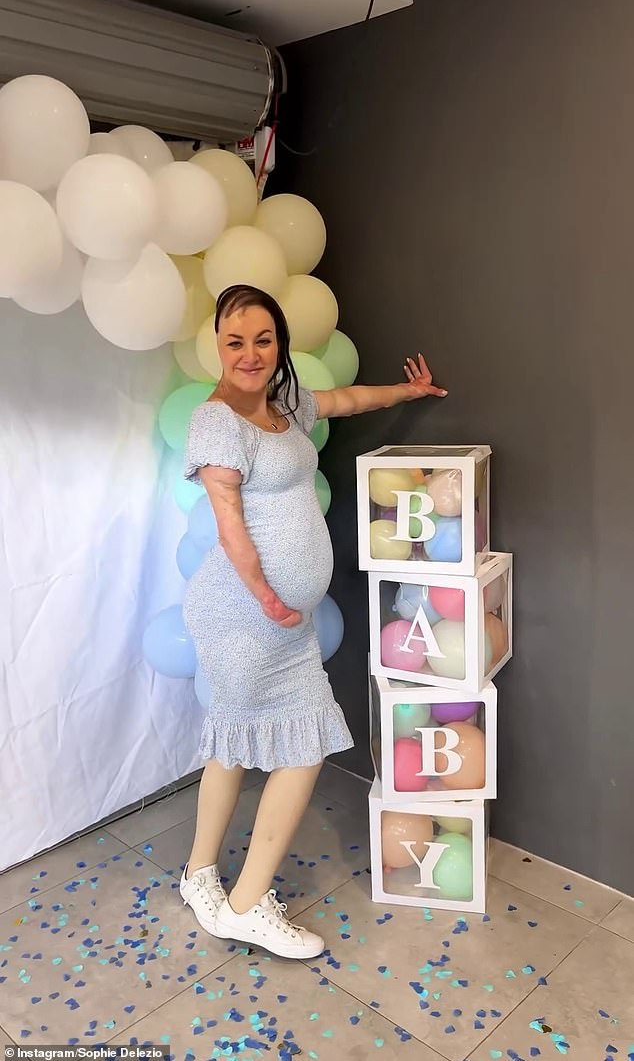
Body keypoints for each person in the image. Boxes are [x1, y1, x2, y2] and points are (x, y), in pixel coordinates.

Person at [179, 283, 447, 959]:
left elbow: (346, 401)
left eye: (262, 339)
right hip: (242, 612)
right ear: (218, 343)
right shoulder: (218, 422)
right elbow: (231, 524)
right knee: (298, 746)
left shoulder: (283, 405)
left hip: (278, 618)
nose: (249, 354)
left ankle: (199, 875)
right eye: (235, 340)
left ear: (280, 344)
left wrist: (405, 394)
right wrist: (267, 595)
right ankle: (246, 905)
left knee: (232, 743)